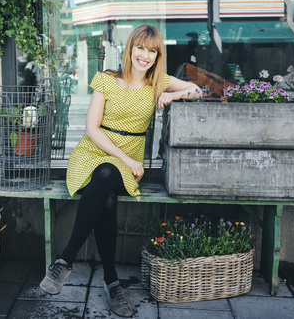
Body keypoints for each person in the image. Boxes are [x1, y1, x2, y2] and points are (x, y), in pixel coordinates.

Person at [39, 24, 202, 317]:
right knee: (107, 196)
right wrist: (124, 160)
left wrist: (176, 95)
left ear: (157, 55)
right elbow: (91, 128)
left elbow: (197, 90)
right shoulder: (106, 80)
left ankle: (65, 261)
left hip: (125, 160)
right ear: (130, 49)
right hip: (93, 153)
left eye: (152, 51)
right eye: (141, 48)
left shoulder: (157, 82)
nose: (145, 55)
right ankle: (112, 283)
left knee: (105, 177)